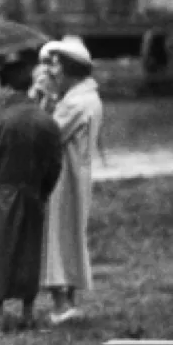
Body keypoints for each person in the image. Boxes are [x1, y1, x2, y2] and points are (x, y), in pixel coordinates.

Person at [0, 53, 62, 331]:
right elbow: (55, 163)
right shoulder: (45, 120)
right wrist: (43, 191)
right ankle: (28, 312)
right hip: (32, 193)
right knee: (28, 253)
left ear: (5, 87)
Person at [40, 38, 102, 325]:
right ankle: (69, 300)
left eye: (56, 68)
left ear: (68, 71)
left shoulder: (76, 102)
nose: (53, 75)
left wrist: (46, 99)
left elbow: (46, 134)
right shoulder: (87, 97)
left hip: (64, 178)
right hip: (76, 175)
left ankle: (61, 303)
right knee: (70, 235)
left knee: (58, 237)